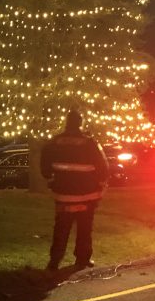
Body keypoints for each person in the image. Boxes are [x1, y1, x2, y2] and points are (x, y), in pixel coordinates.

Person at [39, 109, 109, 271]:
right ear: (80, 123)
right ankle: (83, 258)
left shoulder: (55, 142)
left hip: (63, 195)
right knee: (85, 228)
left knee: (61, 228)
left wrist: (51, 178)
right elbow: (103, 167)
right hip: (87, 194)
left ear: (66, 122)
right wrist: (100, 184)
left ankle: (55, 260)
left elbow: (45, 166)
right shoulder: (90, 143)